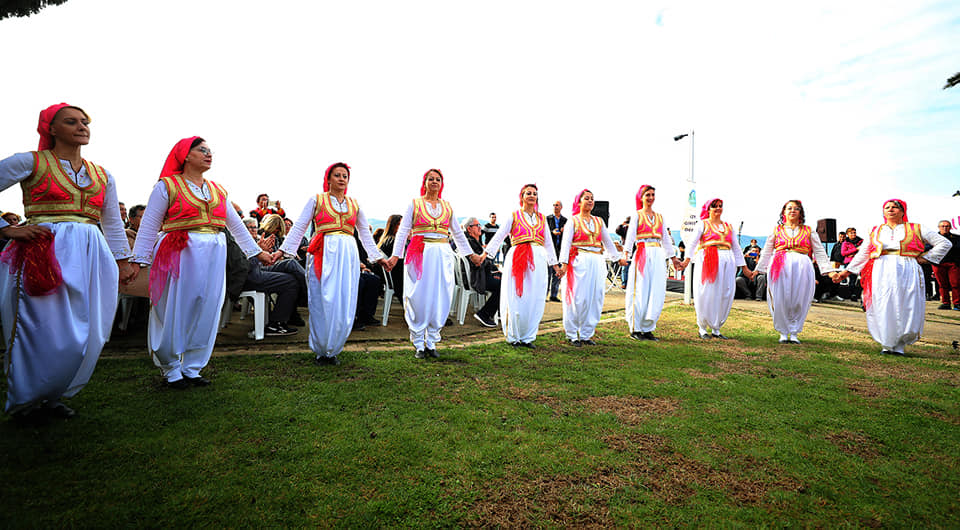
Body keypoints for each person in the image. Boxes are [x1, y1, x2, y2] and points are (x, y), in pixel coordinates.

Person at [0, 103, 139, 420]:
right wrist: (6, 228)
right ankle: (26, 400)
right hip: (45, 252)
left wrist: (123, 261)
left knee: (91, 328)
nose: (81, 126)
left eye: (85, 122)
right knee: (42, 327)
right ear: (50, 128)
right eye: (71, 121)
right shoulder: (31, 162)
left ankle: (55, 394)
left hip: (92, 253)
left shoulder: (103, 174)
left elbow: (113, 225)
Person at [132, 137, 271, 388]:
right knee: (175, 307)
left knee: (208, 306)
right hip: (179, 252)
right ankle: (171, 367)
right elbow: (150, 225)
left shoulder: (218, 190)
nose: (209, 154)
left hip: (214, 254)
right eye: (202, 150)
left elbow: (236, 226)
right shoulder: (167, 186)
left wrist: (257, 253)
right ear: (185, 155)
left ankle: (193, 366)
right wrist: (139, 260)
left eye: (210, 151)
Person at [282, 162, 388, 365]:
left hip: (348, 252)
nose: (341, 178)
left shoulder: (354, 204)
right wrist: (283, 251)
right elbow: (299, 227)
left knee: (345, 297)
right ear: (328, 178)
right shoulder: (317, 200)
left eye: (345, 176)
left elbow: (365, 232)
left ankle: (334, 347)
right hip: (324, 252)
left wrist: (378, 257)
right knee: (322, 298)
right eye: (337, 175)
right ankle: (321, 348)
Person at [383, 169, 482, 358]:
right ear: (425, 182)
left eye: (438, 179)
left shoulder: (447, 207)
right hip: (420, 253)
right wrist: (395, 256)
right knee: (418, 295)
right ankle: (419, 342)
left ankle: (432, 341)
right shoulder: (415, 204)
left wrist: (471, 255)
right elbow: (403, 231)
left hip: (442, 254)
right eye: (431, 179)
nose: (434, 182)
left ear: (441, 183)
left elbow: (458, 234)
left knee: (441, 294)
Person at [834, 199, 951, 355]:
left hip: (907, 269)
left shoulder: (917, 228)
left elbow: (944, 243)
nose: (890, 209)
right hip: (881, 269)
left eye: (895, 207)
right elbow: (863, 253)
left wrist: (925, 258)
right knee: (883, 302)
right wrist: (846, 272)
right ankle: (887, 344)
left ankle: (900, 345)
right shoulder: (875, 230)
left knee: (906, 303)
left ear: (903, 211)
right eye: (887, 207)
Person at [482, 184, 560, 347]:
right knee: (517, 296)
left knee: (535, 296)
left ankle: (528, 336)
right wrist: (486, 255)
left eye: (534, 193)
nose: (532, 196)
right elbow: (499, 235)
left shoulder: (542, 218)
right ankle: (514, 335)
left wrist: (555, 265)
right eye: (528, 193)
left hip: (538, 259)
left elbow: (548, 242)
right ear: (522, 196)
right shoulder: (514, 215)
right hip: (518, 257)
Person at [750, 200, 831, 344]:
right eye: (789, 208)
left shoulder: (809, 230)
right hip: (780, 265)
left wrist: (829, 271)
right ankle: (783, 331)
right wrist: (758, 270)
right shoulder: (777, 229)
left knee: (799, 298)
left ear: (801, 212)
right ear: (784, 212)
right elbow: (767, 250)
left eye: (796, 208)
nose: (792, 210)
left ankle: (794, 332)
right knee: (780, 297)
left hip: (802, 265)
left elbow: (819, 251)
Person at [558, 189, 624, 345]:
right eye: (586, 198)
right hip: (579, 261)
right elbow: (566, 244)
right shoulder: (573, 221)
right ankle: (572, 333)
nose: (590, 201)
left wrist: (617, 258)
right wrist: (564, 264)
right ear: (579, 202)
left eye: (592, 199)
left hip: (597, 261)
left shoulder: (599, 221)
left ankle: (587, 333)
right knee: (577, 298)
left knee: (595, 297)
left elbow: (608, 242)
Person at [621, 185, 683, 341]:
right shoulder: (637, 216)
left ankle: (648, 327)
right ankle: (635, 327)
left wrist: (673, 257)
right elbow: (630, 237)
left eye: (653, 195)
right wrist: (625, 254)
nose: (650, 198)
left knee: (655, 289)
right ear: (641, 197)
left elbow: (666, 240)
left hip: (657, 253)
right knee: (639, 289)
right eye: (647, 195)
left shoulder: (660, 217)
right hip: (642, 251)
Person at [679, 198, 747, 339]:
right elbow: (692, 244)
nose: (718, 208)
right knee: (707, 292)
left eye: (720, 206)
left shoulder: (728, 226)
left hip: (727, 261)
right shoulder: (702, 224)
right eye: (714, 206)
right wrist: (686, 260)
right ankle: (702, 327)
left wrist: (744, 268)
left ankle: (716, 328)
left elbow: (736, 247)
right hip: (708, 259)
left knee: (725, 292)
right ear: (708, 209)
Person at [463, 217, 501, 328]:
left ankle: (497, 312)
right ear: (469, 229)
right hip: (477, 278)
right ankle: (485, 314)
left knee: (504, 278)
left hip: (479, 275)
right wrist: (493, 267)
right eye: (477, 225)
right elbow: (479, 262)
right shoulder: (470, 243)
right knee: (503, 284)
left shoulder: (472, 242)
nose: (480, 227)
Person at [376, 214, 404, 301]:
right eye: (400, 224)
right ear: (393, 226)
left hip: (392, 277)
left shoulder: (386, 239)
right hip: (397, 279)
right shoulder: (393, 242)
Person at [933, 220, 960, 310]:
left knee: (955, 283)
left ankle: (957, 303)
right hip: (938, 264)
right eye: (943, 226)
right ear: (939, 227)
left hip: (953, 264)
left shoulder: (957, 238)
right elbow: (927, 248)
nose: (945, 228)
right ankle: (945, 303)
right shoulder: (933, 238)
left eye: (947, 226)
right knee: (942, 284)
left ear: (950, 227)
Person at [546, 200, 567, 302]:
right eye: (554, 205)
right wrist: (552, 232)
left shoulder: (565, 220)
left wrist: (564, 231)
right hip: (550, 249)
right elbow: (543, 232)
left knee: (557, 273)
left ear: (561, 207)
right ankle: (544, 294)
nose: (555, 207)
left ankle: (553, 295)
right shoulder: (547, 219)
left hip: (560, 249)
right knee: (547, 273)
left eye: (557, 205)